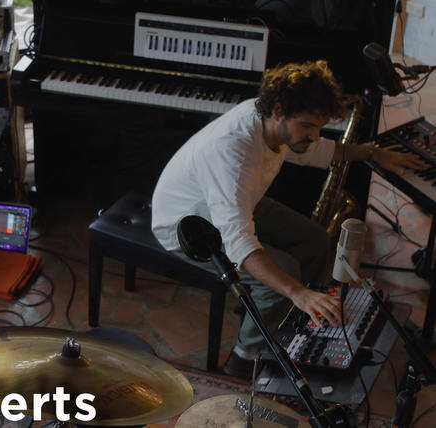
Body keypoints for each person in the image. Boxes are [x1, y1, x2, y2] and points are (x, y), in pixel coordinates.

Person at [151, 60, 427, 379]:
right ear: (279, 111)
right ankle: (245, 359)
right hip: (189, 228)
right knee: (284, 272)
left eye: (318, 126)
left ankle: (290, 326)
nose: (314, 134)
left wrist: (372, 153)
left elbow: (316, 150)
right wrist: (298, 291)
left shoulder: (272, 122)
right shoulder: (233, 152)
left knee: (316, 241)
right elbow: (238, 241)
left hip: (234, 204)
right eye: (308, 126)